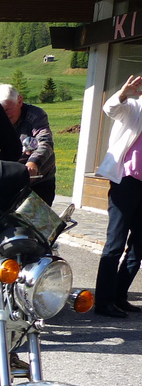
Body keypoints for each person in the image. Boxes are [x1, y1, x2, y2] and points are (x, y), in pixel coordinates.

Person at [92, 75, 142, 318]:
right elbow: (110, 108)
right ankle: (103, 302)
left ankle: (119, 296)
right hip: (127, 183)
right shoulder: (133, 108)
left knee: (139, 247)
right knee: (115, 244)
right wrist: (123, 94)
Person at [0, 83, 57, 205]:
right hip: (7, 179)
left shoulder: (36, 115)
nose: (4, 115)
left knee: (37, 216)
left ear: (19, 101)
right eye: (0, 111)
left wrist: (33, 162)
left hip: (39, 180)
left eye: (8, 110)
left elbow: (45, 141)